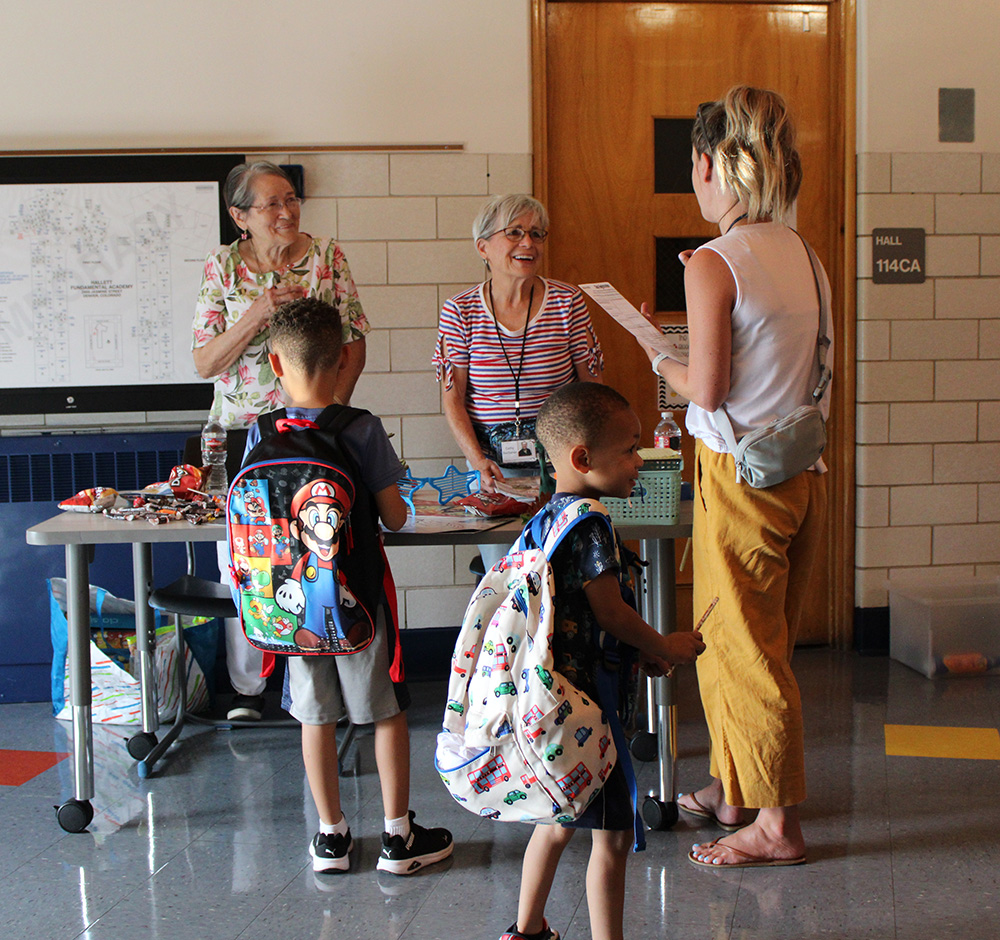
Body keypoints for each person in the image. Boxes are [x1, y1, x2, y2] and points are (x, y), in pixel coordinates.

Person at [637, 86, 833, 869]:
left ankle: (776, 824)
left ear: (714, 163)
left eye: (693, 163)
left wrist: (660, 357)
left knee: (744, 650)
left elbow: (708, 389)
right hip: (801, 469)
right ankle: (731, 789)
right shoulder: (804, 253)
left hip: (739, 476)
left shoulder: (717, 262)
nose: (694, 177)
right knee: (749, 637)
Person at [240, 296, 453, 876]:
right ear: (341, 364)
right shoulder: (360, 428)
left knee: (315, 718)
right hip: (358, 607)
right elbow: (395, 518)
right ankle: (397, 838)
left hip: (292, 616)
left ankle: (331, 839)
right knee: (384, 714)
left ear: (275, 366)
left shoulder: (259, 433)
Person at [501, 383, 705, 940]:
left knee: (556, 821)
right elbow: (609, 612)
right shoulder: (591, 522)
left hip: (555, 704)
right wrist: (663, 644)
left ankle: (525, 931)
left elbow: (578, 619)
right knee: (612, 838)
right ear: (583, 459)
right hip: (594, 712)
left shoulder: (547, 517)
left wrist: (640, 653)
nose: (641, 462)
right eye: (631, 449)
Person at [192, 160, 370, 720]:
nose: (287, 211)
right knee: (247, 559)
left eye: (291, 198)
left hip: (313, 434)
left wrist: (328, 415)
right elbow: (204, 362)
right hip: (242, 435)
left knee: (321, 552)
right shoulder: (222, 268)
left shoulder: (326, 258)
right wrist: (258, 315)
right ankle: (248, 691)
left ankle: (326, 683)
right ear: (239, 216)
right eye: (271, 203)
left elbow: (354, 340)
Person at [432, 194, 604, 571]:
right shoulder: (460, 311)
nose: (529, 243)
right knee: (509, 572)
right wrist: (478, 462)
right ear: (484, 247)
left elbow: (592, 389)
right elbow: (453, 400)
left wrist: (582, 460)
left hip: (560, 461)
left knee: (563, 567)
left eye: (537, 234)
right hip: (492, 465)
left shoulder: (567, 302)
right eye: (514, 233)